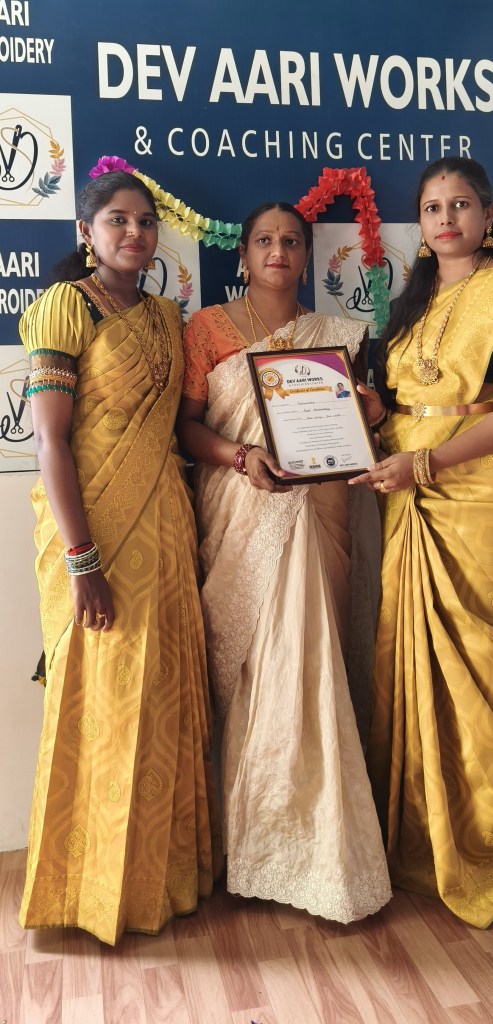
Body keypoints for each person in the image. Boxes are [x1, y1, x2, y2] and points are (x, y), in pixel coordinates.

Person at [351, 157, 493, 928]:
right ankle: (421, 844)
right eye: (433, 207)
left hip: (488, 499)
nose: (446, 218)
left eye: (460, 204)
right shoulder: (411, 301)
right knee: (411, 668)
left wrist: (428, 463)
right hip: (409, 494)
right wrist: (375, 415)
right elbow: (406, 403)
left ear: (488, 213)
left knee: (492, 674)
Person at [19, 170, 222, 945]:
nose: (134, 233)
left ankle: (158, 883)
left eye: (143, 222)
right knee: (101, 700)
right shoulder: (64, 306)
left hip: (165, 524)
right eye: (116, 220)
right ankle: (89, 891)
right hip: (95, 530)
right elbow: (49, 442)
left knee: (163, 694)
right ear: (87, 232)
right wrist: (82, 561)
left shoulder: (169, 318)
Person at [177, 201, 391, 923]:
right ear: (242, 256)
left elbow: (353, 425)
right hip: (241, 507)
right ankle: (252, 846)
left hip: (319, 510)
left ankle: (323, 856)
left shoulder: (336, 335)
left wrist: (368, 411)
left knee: (313, 660)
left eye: (291, 241)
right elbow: (187, 429)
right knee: (259, 668)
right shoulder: (207, 329)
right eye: (264, 241)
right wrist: (241, 457)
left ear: (307, 254)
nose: (278, 251)